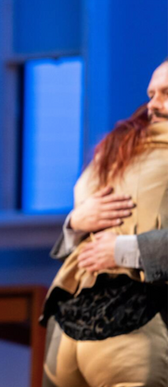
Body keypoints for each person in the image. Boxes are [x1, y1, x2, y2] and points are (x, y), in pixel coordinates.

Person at [41, 61, 168, 387]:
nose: (153, 104)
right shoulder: (119, 146)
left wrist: (125, 249)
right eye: (151, 94)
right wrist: (76, 223)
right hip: (76, 321)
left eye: (166, 94)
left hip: (136, 320)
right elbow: (82, 208)